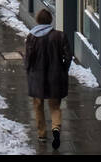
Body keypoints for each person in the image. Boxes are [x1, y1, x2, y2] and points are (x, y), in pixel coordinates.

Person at [24, 8, 72, 148]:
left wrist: (28, 70)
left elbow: (28, 59)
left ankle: (42, 134)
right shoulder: (60, 36)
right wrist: (63, 69)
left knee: (38, 105)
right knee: (55, 105)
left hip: (37, 78)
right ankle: (56, 127)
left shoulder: (32, 37)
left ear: (38, 20)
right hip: (55, 77)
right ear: (50, 20)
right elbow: (68, 56)